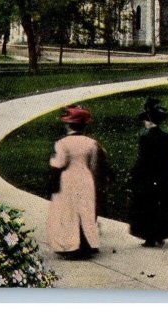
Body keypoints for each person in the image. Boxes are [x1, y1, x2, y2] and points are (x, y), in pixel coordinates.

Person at [46, 104, 112, 259]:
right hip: (85, 177)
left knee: (68, 212)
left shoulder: (62, 143)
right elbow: (94, 164)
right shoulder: (91, 143)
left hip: (68, 179)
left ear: (69, 125)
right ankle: (87, 245)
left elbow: (59, 163)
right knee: (85, 211)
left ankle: (69, 246)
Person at [128, 97, 168, 247]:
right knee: (162, 205)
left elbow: (143, 160)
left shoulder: (146, 138)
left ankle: (150, 236)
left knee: (147, 206)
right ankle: (160, 234)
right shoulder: (167, 137)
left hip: (148, 178)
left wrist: (136, 174)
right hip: (163, 177)